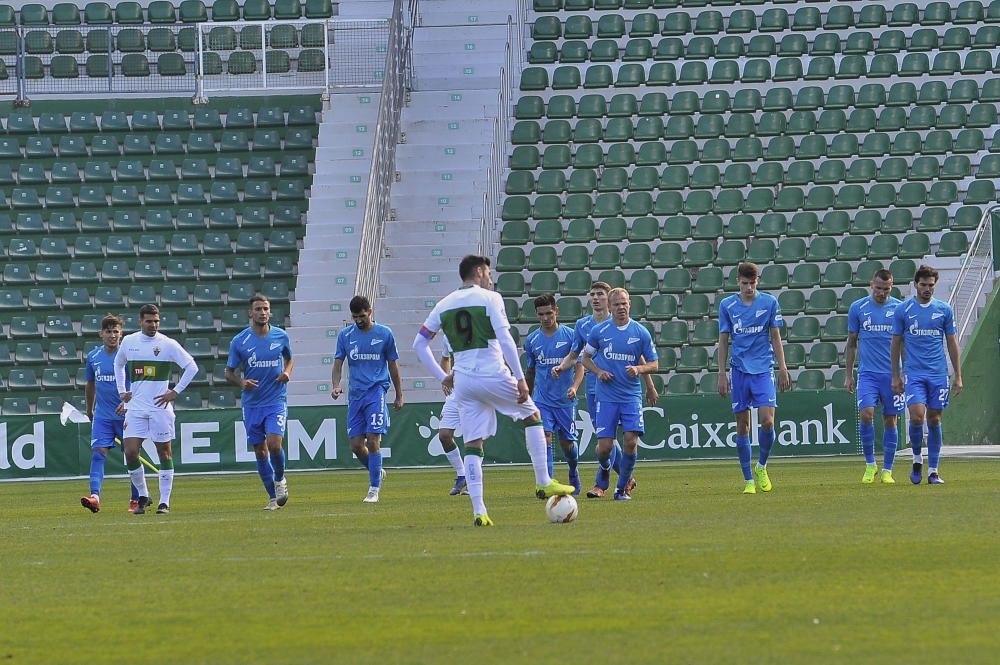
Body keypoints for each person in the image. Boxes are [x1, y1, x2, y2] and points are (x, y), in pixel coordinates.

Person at [412, 255, 575, 526]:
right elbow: (506, 340)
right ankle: (544, 481)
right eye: (488, 272)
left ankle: (480, 511)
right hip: (492, 374)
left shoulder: (444, 304)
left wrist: (444, 377)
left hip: (463, 383)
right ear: (478, 271)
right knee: (532, 416)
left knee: (473, 444)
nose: (491, 277)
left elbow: (418, 344)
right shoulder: (490, 298)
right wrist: (521, 379)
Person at [552, 281, 659, 498]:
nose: (596, 298)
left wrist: (649, 384)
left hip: (625, 390)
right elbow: (576, 355)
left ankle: (608, 484)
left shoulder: (634, 330)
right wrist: (563, 367)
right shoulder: (584, 326)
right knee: (606, 442)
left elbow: (637, 355)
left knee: (626, 440)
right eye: (592, 294)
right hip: (597, 389)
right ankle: (624, 478)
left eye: (600, 294)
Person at [114, 304, 199, 515]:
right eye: (149, 321)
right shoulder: (129, 341)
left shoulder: (167, 344)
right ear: (140, 321)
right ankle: (143, 494)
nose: (153, 325)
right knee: (131, 451)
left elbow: (192, 367)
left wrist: (175, 391)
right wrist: (122, 391)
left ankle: (164, 501)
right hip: (135, 408)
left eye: (156, 321)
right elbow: (118, 363)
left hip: (160, 408)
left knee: (164, 453)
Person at [717, 262, 790, 494]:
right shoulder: (727, 305)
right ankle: (748, 479)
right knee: (743, 427)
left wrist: (783, 367)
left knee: (768, 421)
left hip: (763, 369)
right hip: (739, 371)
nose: (749, 287)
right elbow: (723, 340)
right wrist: (721, 373)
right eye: (745, 283)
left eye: (752, 283)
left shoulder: (769, 302)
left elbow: (776, 337)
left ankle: (762, 466)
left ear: (758, 280)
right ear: (738, 281)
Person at [891, 265, 963, 485]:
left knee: (934, 419)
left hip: (938, 374)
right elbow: (895, 344)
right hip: (914, 373)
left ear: (935, 285)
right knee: (916, 416)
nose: (927, 289)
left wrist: (958, 375)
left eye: (931, 285)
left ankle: (933, 471)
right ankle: (916, 458)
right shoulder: (903, 310)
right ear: (916, 284)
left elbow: (951, 342)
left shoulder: (944, 310)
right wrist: (896, 375)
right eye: (923, 285)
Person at [331, 296, 404, 504]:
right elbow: (338, 363)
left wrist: (399, 394)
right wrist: (336, 385)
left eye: (362, 316)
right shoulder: (345, 336)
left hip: (376, 391)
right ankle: (376, 470)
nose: (359, 320)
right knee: (355, 445)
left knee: (373, 440)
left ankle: (374, 489)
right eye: (355, 317)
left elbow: (393, 366)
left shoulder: (384, 334)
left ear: (370, 312)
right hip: (355, 395)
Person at [226, 294, 294, 510]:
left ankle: (280, 479)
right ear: (250, 313)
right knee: (260, 450)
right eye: (258, 309)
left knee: (274, 444)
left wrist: (286, 372)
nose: (263, 313)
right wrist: (241, 382)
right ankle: (273, 498)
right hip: (252, 403)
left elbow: (290, 358)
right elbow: (229, 372)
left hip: (275, 400)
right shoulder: (240, 341)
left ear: (270, 311)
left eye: (266, 309)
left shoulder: (280, 336)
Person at [845, 269, 903, 484]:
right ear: (871, 284)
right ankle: (870, 465)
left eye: (886, 289)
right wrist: (848, 375)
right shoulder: (857, 308)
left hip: (892, 374)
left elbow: (904, 344)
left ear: (892, 286)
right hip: (868, 374)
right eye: (878, 288)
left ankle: (887, 469)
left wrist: (903, 373)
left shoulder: (899, 308)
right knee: (867, 414)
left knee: (891, 420)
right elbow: (851, 343)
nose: (881, 293)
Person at [80, 314, 141, 513]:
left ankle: (135, 499)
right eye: (108, 332)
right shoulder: (93, 357)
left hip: (127, 416)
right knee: (98, 455)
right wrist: (89, 409)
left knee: (132, 457)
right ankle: (95, 497)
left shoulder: (128, 356)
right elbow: (90, 384)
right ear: (101, 333)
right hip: (103, 416)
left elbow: (140, 385)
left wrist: (128, 403)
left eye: (116, 332)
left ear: (121, 334)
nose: (112, 335)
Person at [525, 294, 583, 494]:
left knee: (568, 444)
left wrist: (574, 387)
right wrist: (527, 397)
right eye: (541, 314)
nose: (545, 318)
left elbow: (580, 366)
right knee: (545, 438)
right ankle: (546, 483)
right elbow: (531, 370)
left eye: (549, 313)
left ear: (556, 311)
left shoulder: (570, 336)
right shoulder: (532, 340)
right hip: (542, 400)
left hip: (565, 401)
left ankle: (573, 470)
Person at [436, 335, 468, 496]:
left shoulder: (479, 329)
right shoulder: (448, 335)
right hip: (455, 394)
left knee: (473, 438)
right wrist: (445, 378)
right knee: (444, 435)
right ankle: (462, 474)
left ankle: (473, 479)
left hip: (473, 392)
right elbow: (445, 357)